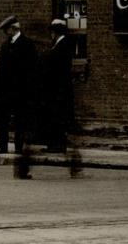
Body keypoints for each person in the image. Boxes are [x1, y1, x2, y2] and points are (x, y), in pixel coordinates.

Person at [0, 15, 38, 177]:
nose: (6, 33)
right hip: (6, 90)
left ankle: (18, 146)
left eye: (7, 30)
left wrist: (28, 89)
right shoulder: (6, 45)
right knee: (3, 118)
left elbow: (31, 70)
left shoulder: (27, 45)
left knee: (20, 119)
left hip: (20, 90)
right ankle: (3, 146)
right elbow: (0, 68)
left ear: (14, 29)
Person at [41, 18, 82, 177]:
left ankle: (58, 144)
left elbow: (54, 60)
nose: (50, 35)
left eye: (52, 32)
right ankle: (56, 143)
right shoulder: (60, 44)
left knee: (59, 117)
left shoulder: (63, 45)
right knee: (57, 117)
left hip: (60, 89)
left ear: (55, 32)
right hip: (58, 89)